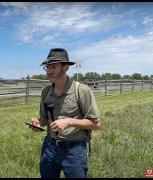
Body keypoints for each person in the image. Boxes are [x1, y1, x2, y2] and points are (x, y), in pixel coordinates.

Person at [29, 48, 101, 178]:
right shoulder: (46, 92)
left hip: (74, 150)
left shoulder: (81, 90)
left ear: (65, 68)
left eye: (54, 67)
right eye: (47, 67)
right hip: (49, 148)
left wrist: (69, 122)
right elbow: (45, 119)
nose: (49, 71)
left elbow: (95, 124)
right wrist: (38, 123)